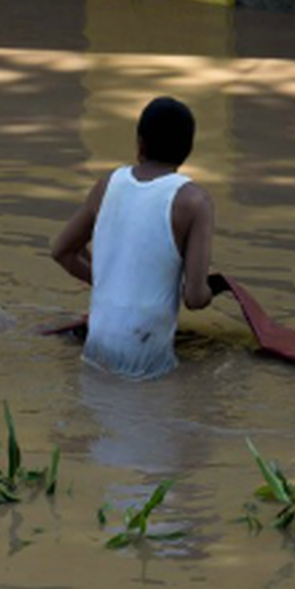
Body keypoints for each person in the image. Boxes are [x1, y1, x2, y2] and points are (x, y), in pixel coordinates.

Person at [51, 96, 215, 380]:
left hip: (97, 344)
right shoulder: (194, 202)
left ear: (140, 144)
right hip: (146, 352)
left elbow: (62, 251)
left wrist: (110, 280)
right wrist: (215, 290)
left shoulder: (107, 184)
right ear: (187, 151)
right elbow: (194, 297)